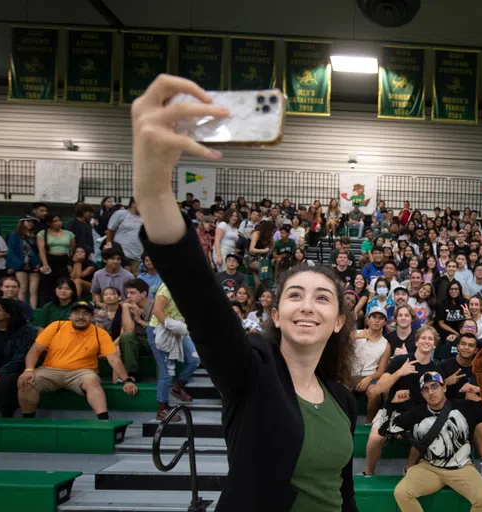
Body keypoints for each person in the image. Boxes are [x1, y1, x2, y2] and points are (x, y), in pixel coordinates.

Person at [132, 75, 358, 510]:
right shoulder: (252, 372)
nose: (307, 306)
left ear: (339, 321)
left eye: (323, 298)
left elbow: (341, 492)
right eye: (294, 295)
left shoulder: (343, 400)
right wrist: (155, 191)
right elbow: (200, 298)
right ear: (274, 314)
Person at [391, 372, 482, 512]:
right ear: (422, 394)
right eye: (425, 389)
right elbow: (386, 430)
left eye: (435, 386)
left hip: (461, 467)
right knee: (401, 492)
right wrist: (392, 404)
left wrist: (480, 390)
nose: (431, 392)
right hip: (429, 467)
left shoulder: (465, 407)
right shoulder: (416, 414)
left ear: (444, 388)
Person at [18, 301, 137, 419]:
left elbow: (113, 359)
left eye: (86, 314)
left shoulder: (100, 333)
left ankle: (104, 420)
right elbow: (35, 350)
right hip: (50, 371)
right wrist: (28, 370)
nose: (81, 317)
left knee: (92, 381)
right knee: (26, 382)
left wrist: (126, 380)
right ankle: (28, 421)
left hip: (82, 373)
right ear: (70, 316)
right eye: (76, 313)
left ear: (92, 317)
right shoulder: (56, 326)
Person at [364, 326, 440, 476]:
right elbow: (379, 388)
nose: (426, 341)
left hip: (418, 415)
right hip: (393, 411)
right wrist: (399, 373)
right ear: (416, 342)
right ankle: (368, 473)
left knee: (425, 433)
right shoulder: (400, 361)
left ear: (434, 345)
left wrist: (405, 423)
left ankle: (409, 469)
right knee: (375, 437)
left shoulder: (435, 370)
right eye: (423, 338)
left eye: (430, 339)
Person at [147, 277, 202, 420]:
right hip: (160, 330)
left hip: (179, 329)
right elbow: (157, 311)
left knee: (195, 358)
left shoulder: (190, 290)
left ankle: (178, 386)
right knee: (167, 371)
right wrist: (174, 326)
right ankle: (162, 409)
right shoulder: (168, 287)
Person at [352, 307, 391, 423]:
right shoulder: (355, 334)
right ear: (368, 319)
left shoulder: (386, 344)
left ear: (384, 322)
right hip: (350, 374)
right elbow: (340, 343)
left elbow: (381, 370)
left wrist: (368, 378)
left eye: (380, 318)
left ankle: (368, 424)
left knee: (374, 392)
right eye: (374, 317)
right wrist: (357, 337)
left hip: (370, 376)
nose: (377, 321)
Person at [113, 279, 155, 381]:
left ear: (144, 293)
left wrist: (139, 321)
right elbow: (128, 331)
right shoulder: (129, 306)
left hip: (156, 341)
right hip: (139, 342)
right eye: (127, 293)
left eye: (132, 293)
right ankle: (132, 373)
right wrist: (125, 307)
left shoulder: (155, 306)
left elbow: (157, 331)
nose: (128, 296)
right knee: (126, 337)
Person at [37, 213, 76, 302]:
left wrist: (70, 264)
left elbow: (72, 250)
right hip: (49, 259)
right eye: (55, 221)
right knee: (48, 285)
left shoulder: (69, 234)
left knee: (62, 283)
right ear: (49, 223)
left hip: (64, 260)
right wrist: (45, 264)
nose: (58, 223)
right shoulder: (42, 233)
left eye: (59, 220)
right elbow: (41, 250)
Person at [106, 198, 145, 275]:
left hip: (137, 255)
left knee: (134, 281)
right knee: (122, 278)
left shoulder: (145, 217)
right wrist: (109, 246)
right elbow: (110, 230)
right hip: (121, 254)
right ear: (134, 203)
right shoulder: (121, 213)